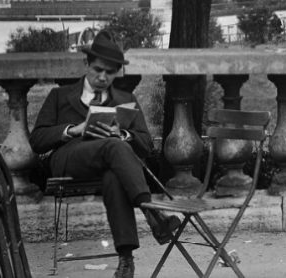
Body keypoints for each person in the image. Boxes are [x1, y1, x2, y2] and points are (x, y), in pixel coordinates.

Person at [30, 29, 179, 278]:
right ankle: (151, 212)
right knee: (115, 148)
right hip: (68, 160)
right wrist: (72, 130)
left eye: (110, 72)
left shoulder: (125, 99)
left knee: (114, 173)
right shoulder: (60, 96)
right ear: (87, 64)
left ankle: (125, 260)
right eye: (98, 69)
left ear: (117, 72)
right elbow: (37, 139)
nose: (102, 77)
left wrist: (124, 134)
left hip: (112, 164)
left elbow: (146, 144)